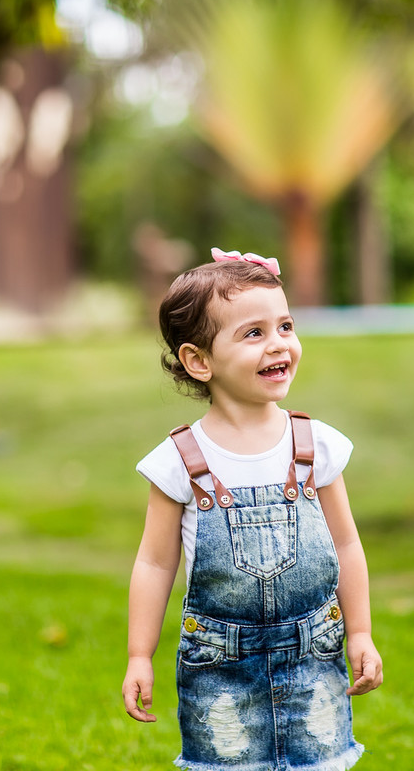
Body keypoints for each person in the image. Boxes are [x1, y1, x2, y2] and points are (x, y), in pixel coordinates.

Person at [123, 248, 382, 771]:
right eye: (254, 333)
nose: (279, 344)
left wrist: (360, 631)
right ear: (199, 361)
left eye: (285, 325)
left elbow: (346, 544)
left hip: (314, 656)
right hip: (220, 668)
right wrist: (138, 654)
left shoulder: (316, 445)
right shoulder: (178, 461)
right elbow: (154, 563)